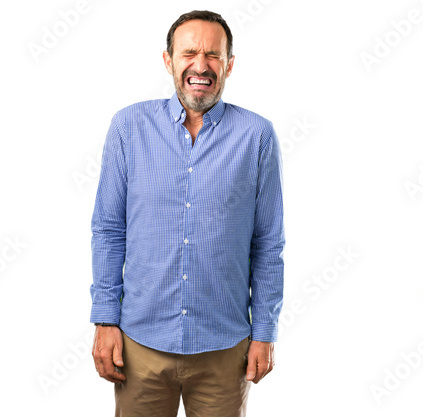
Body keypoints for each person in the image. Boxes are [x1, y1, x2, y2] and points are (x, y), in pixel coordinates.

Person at [89, 10, 285, 416]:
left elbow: (267, 243)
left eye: (213, 55)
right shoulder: (128, 127)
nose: (201, 65)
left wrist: (265, 331)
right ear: (169, 60)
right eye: (189, 53)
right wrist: (105, 320)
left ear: (229, 64)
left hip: (224, 348)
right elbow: (108, 230)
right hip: (139, 344)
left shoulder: (257, 136)